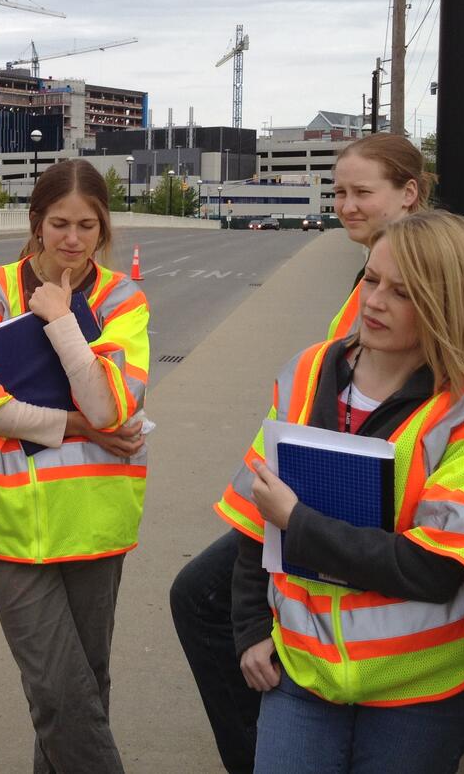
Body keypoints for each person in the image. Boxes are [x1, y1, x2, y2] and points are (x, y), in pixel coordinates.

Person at [218, 210, 464, 774]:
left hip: (417, 692)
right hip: (302, 671)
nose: (374, 301)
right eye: (370, 279)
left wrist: (300, 523)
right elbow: (252, 522)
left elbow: (432, 568)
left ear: (448, 305)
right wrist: (249, 631)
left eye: (403, 292)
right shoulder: (308, 372)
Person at [170, 132, 431, 774]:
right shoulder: (367, 268)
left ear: (409, 194)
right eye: (338, 191)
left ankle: (260, 749)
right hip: (317, 483)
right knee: (212, 596)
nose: (345, 205)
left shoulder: (420, 274)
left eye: (362, 192)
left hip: (347, 495)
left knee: (204, 598)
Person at [0, 159, 150, 774]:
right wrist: (78, 425)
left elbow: (111, 402)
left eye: (87, 226)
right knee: (58, 696)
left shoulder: (122, 298)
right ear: (37, 223)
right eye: (59, 224)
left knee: (84, 691)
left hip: (95, 522)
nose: (72, 239)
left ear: (103, 228)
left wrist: (62, 321)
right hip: (14, 528)